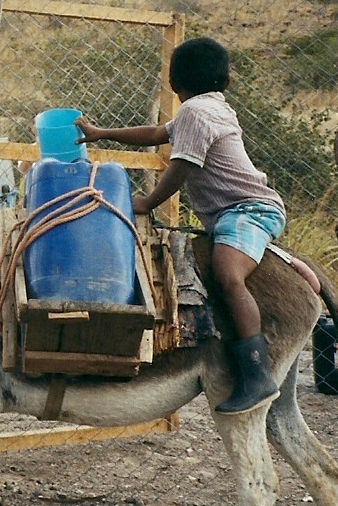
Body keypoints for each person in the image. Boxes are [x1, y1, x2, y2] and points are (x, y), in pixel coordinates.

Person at [75, 37, 286, 415]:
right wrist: (102, 133)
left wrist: (147, 202)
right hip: (232, 211)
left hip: (248, 209)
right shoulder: (214, 108)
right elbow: (157, 134)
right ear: (227, 81)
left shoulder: (196, 113)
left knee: (227, 274)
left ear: (174, 85)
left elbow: (183, 165)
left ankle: (257, 375)